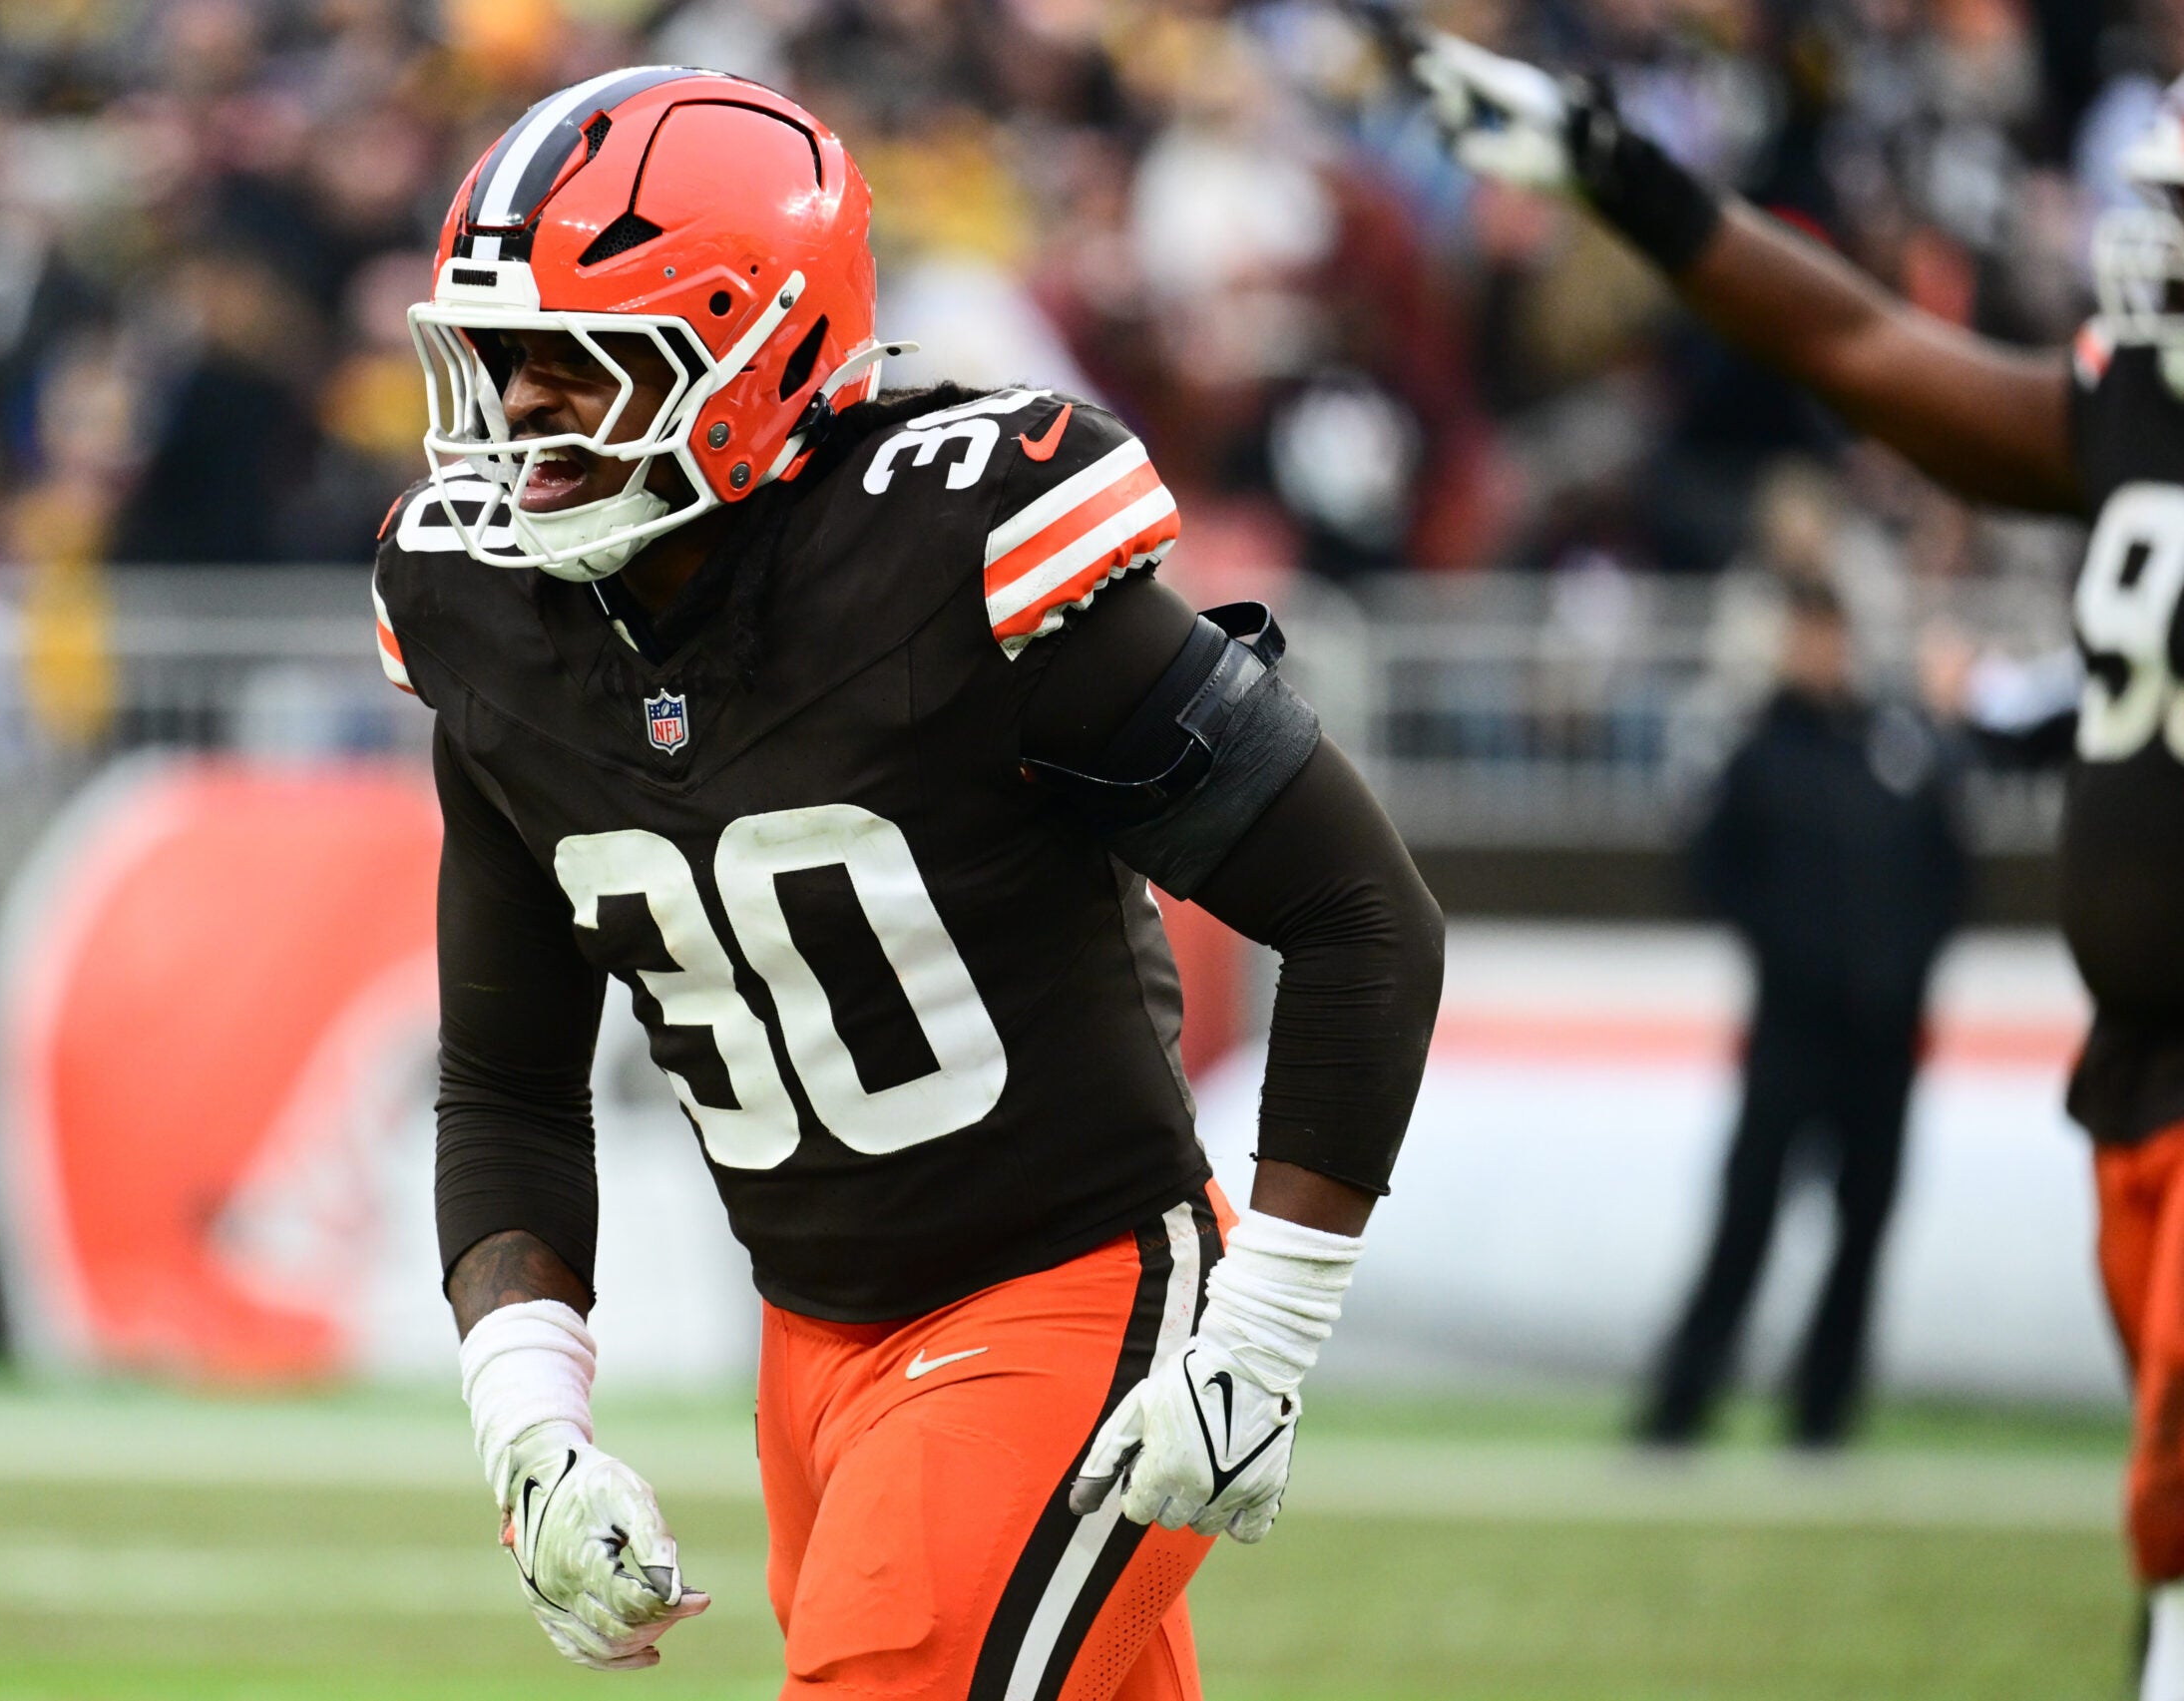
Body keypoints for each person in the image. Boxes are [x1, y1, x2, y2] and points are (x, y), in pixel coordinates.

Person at [376, 69, 1445, 1696]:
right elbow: (511, 1086)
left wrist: (1262, 1351)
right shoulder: (496, 624)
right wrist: (531, 1425)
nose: (520, 410)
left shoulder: (950, 550)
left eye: (575, 358)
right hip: (811, 1348)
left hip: (1072, 1297)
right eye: (499, 356)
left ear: (757, 350)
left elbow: (1365, 917)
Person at [1411, 33, 2184, 1694]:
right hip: (2140, 1086)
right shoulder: (2141, 413)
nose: (2161, 253)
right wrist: (1629, 174)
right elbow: (1862, 341)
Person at [1644, 577, 1967, 1448]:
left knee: (1864, 1224)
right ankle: (1681, 1404)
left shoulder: (1896, 748)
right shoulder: (1757, 752)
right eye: (1806, 636)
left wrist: (1905, 974)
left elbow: (1948, 872)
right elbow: (1710, 871)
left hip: (1883, 1035)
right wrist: (1788, 951)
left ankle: (1824, 1412)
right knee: (1747, 1211)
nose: (1819, 653)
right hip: (1791, 1027)